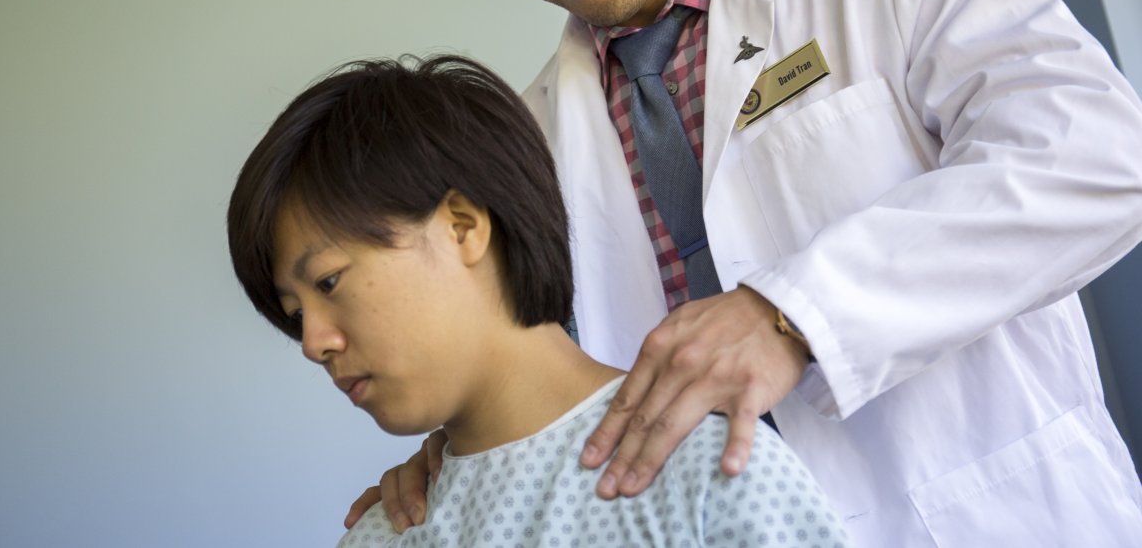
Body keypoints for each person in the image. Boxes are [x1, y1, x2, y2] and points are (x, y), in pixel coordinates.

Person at [349, 0, 1142, 546]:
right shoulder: (526, 145)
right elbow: (541, 378)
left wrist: (794, 314)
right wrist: (466, 459)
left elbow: (1099, 156)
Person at [226, 55, 854, 547]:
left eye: (328, 282)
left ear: (462, 227)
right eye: (296, 314)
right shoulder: (381, 535)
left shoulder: (708, 473)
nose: (313, 343)